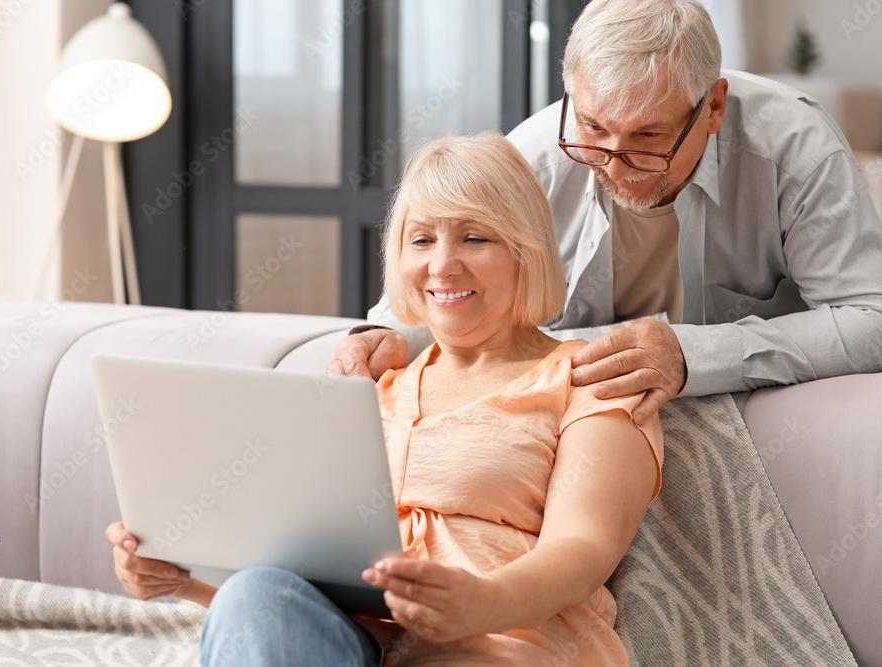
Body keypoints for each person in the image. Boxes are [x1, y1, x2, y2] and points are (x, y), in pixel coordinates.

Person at [106, 133, 663, 666]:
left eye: (475, 237)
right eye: (421, 239)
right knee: (253, 593)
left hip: (503, 648)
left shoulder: (589, 380)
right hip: (358, 647)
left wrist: (481, 603)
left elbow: (583, 550)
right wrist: (186, 578)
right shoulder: (374, 390)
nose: (442, 265)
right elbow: (297, 585)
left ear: (526, 251)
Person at [330, 0, 882, 422]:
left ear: (714, 106)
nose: (613, 165)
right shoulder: (538, 154)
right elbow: (443, 278)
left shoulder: (795, 149)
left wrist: (692, 354)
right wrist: (385, 337)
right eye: (593, 126)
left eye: (647, 138)